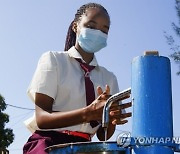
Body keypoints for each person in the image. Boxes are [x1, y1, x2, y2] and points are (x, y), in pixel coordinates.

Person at [23, 2, 132, 154]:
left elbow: (102, 135)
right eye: (92, 26)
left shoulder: (109, 78)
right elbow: (42, 118)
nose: (98, 33)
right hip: (49, 144)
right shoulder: (53, 60)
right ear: (76, 26)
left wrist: (111, 120)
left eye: (104, 30)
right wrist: (88, 113)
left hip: (86, 147)